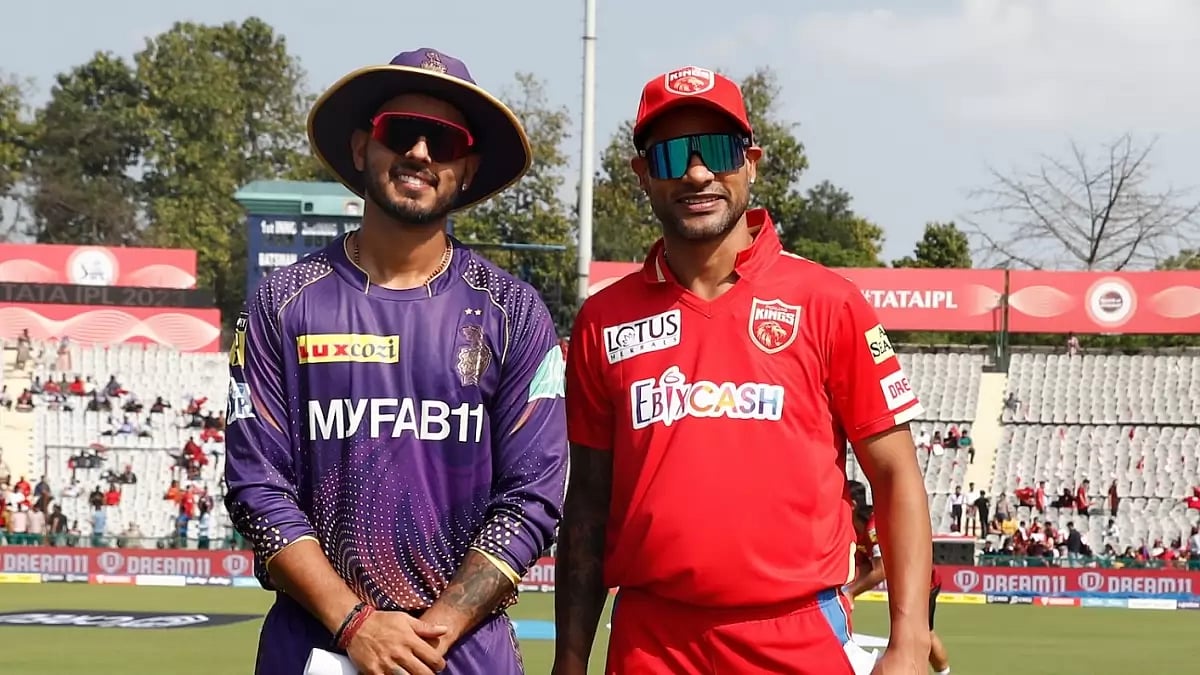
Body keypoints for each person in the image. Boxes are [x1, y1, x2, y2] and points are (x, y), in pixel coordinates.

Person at [553, 65, 933, 675]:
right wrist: (570, 663)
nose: (698, 173)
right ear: (644, 174)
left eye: (720, 151)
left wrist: (908, 639)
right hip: (650, 641)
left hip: (795, 634)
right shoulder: (603, 319)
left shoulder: (828, 301)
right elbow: (588, 509)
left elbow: (896, 478)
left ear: (750, 162)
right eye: (674, 154)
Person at [224, 48, 569, 675]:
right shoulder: (280, 302)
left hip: (461, 652)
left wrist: (428, 636)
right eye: (397, 132)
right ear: (361, 148)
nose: (418, 152)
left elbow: (533, 496)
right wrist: (355, 624)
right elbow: (256, 486)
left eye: (443, 139)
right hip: (315, 646)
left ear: (466, 167)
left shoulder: (515, 312)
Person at [844, 481, 952, 674]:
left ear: (851, 504)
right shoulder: (856, 528)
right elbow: (864, 566)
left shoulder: (872, 526)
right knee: (916, 634)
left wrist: (850, 592)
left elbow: (881, 570)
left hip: (921, 580)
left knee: (918, 635)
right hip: (906, 583)